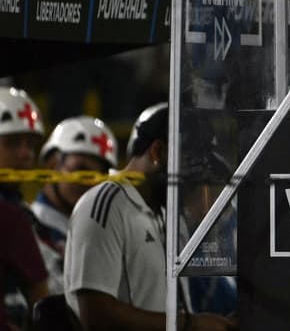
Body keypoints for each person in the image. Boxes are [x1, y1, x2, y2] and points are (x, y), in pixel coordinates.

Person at [63, 103, 237, 330]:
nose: (195, 181)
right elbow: (95, 314)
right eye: (191, 167)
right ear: (157, 152)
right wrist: (188, 325)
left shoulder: (166, 212)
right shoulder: (104, 203)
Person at [31, 116, 118, 295]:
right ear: (51, 166)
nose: (90, 182)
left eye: (100, 176)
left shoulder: (102, 231)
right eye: (81, 169)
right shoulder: (27, 226)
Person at [0, 87, 49, 331]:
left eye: (30, 144)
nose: (25, 154)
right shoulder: (12, 215)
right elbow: (40, 296)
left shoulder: (21, 210)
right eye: (11, 143)